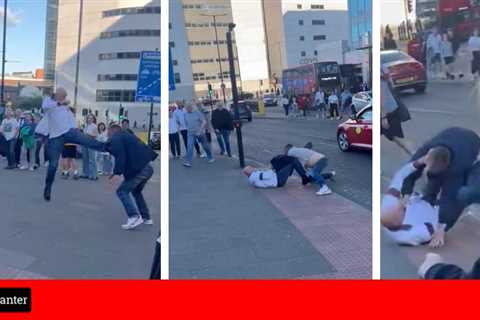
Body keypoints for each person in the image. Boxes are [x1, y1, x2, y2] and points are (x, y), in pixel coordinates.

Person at [403, 127, 480, 248]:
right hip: (451, 134)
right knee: (431, 187)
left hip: (471, 146)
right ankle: (426, 211)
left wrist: (442, 228)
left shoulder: (458, 167)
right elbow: (408, 174)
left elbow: (449, 198)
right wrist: (405, 195)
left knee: (461, 194)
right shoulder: (425, 151)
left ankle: (440, 222)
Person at [42, 88, 106, 201]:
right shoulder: (49, 101)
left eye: (64, 97)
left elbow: (71, 120)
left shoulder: (66, 108)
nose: (64, 99)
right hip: (56, 136)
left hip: (69, 132)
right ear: (57, 95)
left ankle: (106, 147)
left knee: (86, 140)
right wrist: (59, 103)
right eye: (62, 96)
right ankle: (48, 187)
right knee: (53, 164)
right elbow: (46, 107)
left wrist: (75, 130)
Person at [107, 123, 157, 230]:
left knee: (122, 191)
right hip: (147, 168)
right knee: (136, 192)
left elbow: (121, 157)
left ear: (113, 131)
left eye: (108, 132)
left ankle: (134, 216)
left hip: (140, 171)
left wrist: (117, 173)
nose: (108, 134)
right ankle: (146, 217)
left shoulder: (119, 138)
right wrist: (115, 172)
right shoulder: (126, 137)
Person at [381, 161, 439, 246]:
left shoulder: (388, 207)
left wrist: (418, 162)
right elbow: (435, 228)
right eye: (403, 209)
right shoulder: (410, 234)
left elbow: (399, 176)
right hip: (436, 207)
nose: (401, 204)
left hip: (420, 199)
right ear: (401, 220)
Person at [380, 77, 412, 156]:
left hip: (387, 112)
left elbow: (381, 99)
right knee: (393, 135)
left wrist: (384, 118)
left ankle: (412, 153)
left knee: (393, 135)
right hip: (392, 109)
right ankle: (411, 152)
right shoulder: (383, 74)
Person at [243, 156, 310, 189]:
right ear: (249, 172)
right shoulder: (255, 175)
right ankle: (305, 179)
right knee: (293, 161)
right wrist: (272, 169)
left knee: (283, 162)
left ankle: (291, 174)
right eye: (250, 168)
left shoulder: (253, 177)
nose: (252, 167)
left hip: (276, 179)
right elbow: (268, 175)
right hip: (278, 180)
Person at [81, 114, 99, 181]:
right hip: (84, 143)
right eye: (88, 118)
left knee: (92, 160)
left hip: (91, 143)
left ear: (93, 119)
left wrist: (89, 134)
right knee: (85, 159)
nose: (89, 119)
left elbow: (96, 135)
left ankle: (94, 175)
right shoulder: (85, 126)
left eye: (91, 118)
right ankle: (85, 173)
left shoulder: (94, 126)